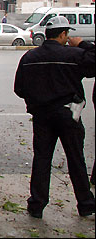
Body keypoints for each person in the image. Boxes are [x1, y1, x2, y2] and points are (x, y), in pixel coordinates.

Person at [14, 15, 95, 219]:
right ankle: (85, 204)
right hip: (69, 115)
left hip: (42, 116)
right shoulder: (74, 55)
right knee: (76, 159)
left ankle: (36, 205)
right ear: (63, 34)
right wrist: (83, 44)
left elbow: (19, 89)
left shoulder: (29, 58)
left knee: (41, 159)